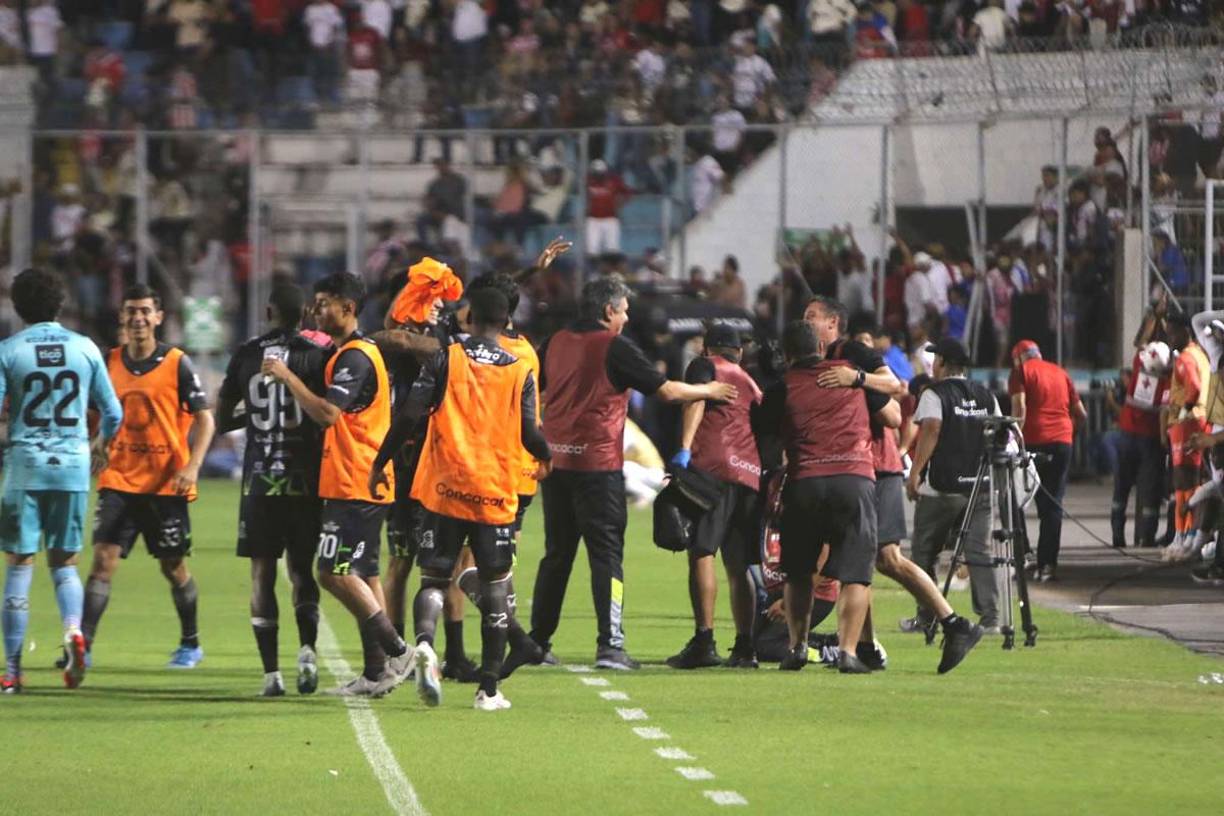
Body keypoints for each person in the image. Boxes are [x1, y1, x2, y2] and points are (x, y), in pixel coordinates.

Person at [528, 276, 738, 670]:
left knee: (556, 555)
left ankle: (537, 643)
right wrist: (709, 392)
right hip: (598, 467)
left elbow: (537, 389)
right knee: (606, 556)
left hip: (557, 465)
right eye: (623, 310)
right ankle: (611, 646)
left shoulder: (554, 341)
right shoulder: (614, 346)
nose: (625, 318)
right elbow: (668, 391)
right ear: (609, 310)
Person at [371, 288, 550, 711]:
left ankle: (426, 645)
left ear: (469, 319)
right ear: (506, 322)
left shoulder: (445, 357)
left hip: (443, 486)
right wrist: (547, 456)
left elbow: (411, 415)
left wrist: (382, 461)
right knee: (493, 586)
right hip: (492, 492)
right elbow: (529, 432)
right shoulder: (517, 368)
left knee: (433, 579)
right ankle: (488, 689)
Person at [262, 272, 412, 697]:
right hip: (363, 479)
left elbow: (329, 414)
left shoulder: (356, 358)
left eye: (325, 301)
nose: (316, 308)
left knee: (331, 573)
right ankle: (376, 672)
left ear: (348, 308)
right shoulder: (356, 352)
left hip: (354, 480)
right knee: (365, 573)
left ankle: (398, 651)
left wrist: (286, 376)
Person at [752, 320, 900, 673]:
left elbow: (764, 435)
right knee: (856, 573)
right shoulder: (850, 373)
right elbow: (893, 405)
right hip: (855, 481)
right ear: (821, 347)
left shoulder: (783, 386)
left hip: (806, 484)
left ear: (788, 355)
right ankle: (847, 651)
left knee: (798, 572)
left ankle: (798, 647)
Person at [0, 269, 122, 693]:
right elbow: (114, 412)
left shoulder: (9, 350)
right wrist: (99, 446)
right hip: (71, 466)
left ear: (18, 307)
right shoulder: (85, 348)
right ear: (60, 303)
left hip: (24, 466)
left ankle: (13, 670)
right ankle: (74, 631)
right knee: (65, 563)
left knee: (19, 564)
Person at [84, 284, 216, 669]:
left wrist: (192, 467)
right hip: (119, 480)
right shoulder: (108, 362)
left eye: (145, 311)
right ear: (122, 317)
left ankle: (190, 643)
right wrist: (97, 442)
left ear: (158, 317)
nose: (138, 318)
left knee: (172, 566)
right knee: (103, 561)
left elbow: (205, 418)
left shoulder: (177, 363)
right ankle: (83, 647)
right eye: (131, 311)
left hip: (165, 485)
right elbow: (98, 416)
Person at [841, 321, 984, 673]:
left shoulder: (923, 392)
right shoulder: (982, 393)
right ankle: (864, 645)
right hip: (970, 483)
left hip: (904, 477)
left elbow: (907, 419)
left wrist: (915, 469)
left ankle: (952, 623)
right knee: (865, 561)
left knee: (894, 557)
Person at [216, 284, 330, 697]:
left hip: (260, 479)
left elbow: (222, 418)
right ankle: (307, 652)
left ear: (267, 310)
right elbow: (326, 410)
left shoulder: (247, 354)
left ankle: (271, 676)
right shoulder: (316, 354)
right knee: (302, 568)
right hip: (305, 477)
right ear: (303, 312)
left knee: (262, 574)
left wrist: (254, 412)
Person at [666, 325, 762, 669]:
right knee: (739, 566)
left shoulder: (706, 367)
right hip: (749, 474)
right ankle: (746, 646)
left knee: (702, 552)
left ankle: (704, 640)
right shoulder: (751, 383)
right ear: (740, 351)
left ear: (710, 348)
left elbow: (696, 400)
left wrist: (684, 449)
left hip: (714, 468)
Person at [903, 337, 1001, 633]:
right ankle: (991, 619)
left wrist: (915, 472)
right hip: (979, 487)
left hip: (941, 489)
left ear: (943, 363)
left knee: (923, 552)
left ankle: (928, 615)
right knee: (979, 553)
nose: (932, 365)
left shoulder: (935, 394)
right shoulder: (986, 395)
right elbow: (999, 431)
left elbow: (931, 429)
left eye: (935, 359)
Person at [1008, 340, 1087, 581]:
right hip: (1062, 441)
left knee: (1016, 498)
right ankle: (1048, 565)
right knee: (1053, 504)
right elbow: (1081, 414)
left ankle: (1022, 554)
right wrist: (1066, 434)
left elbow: (1019, 410)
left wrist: (1013, 440)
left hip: (1032, 441)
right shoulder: (1062, 373)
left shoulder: (1020, 372)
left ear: (1019, 358)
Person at [1110, 308, 1170, 549]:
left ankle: (1117, 537)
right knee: (1149, 491)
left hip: (1126, 435)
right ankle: (1146, 538)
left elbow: (1141, 342)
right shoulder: (1167, 379)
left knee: (1121, 488)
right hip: (1150, 439)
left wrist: (1155, 317)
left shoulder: (1138, 368)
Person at [1162, 312, 1210, 559]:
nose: (1169, 339)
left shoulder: (1185, 358)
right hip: (1200, 421)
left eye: (1171, 333)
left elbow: (1194, 388)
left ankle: (1185, 537)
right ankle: (1186, 535)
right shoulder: (1200, 354)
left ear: (1184, 331)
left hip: (1188, 424)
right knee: (1192, 483)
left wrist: (1181, 413)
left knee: (1184, 483)